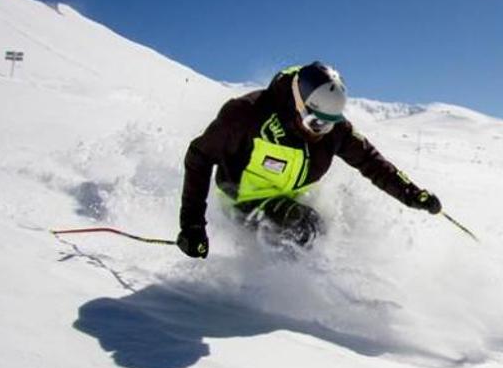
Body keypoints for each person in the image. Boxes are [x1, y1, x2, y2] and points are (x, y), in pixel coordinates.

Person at [176, 61, 441, 258]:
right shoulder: (248, 114)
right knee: (306, 227)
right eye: (316, 123)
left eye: (329, 124)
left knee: (343, 219)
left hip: (291, 194)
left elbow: (370, 161)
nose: (321, 132)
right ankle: (281, 292)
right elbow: (199, 156)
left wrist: (411, 193)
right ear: (298, 105)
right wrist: (192, 226)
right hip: (243, 198)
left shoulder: (334, 131)